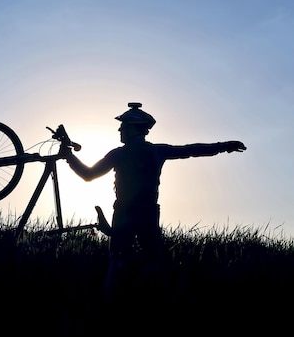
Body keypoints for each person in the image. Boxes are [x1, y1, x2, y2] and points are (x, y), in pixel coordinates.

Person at [60, 102, 246, 305]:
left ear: (133, 128)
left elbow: (88, 175)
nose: (120, 130)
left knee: (117, 263)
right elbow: (191, 150)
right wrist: (224, 146)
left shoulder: (119, 154)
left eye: (123, 127)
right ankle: (155, 306)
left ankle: (113, 307)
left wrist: (69, 156)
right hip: (148, 213)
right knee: (154, 265)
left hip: (124, 213)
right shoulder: (157, 151)